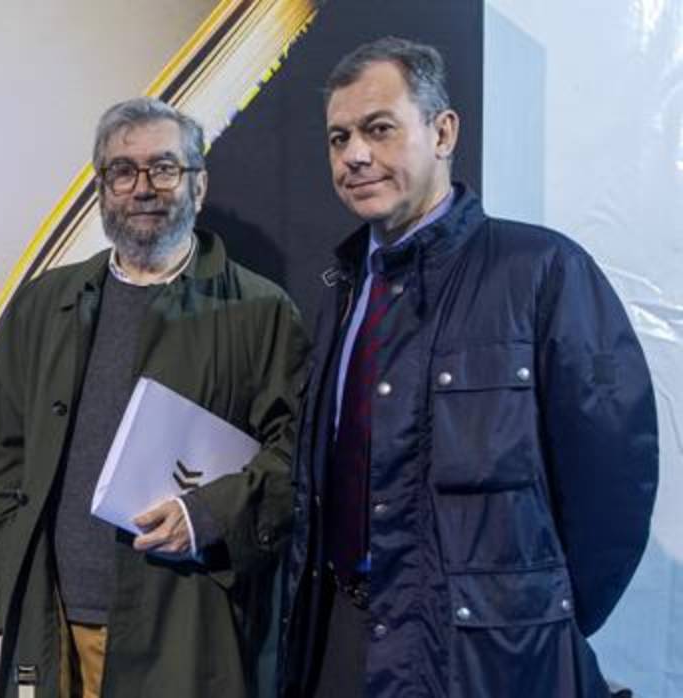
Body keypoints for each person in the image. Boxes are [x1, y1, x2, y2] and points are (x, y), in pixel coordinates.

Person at [279, 36, 659, 697]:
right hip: (340, 641)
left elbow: (614, 487)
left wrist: (528, 619)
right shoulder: (341, 291)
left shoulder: (541, 271)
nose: (355, 155)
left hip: (483, 660)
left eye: (378, 129)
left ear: (444, 130)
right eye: (339, 139)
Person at [0, 96, 308, 698]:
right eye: (122, 171)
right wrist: (5, 575)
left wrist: (209, 516)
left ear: (198, 187)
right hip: (54, 626)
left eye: (164, 168)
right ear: (102, 189)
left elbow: (296, 461)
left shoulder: (261, 312)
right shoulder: (45, 305)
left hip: (183, 632)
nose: (142, 187)